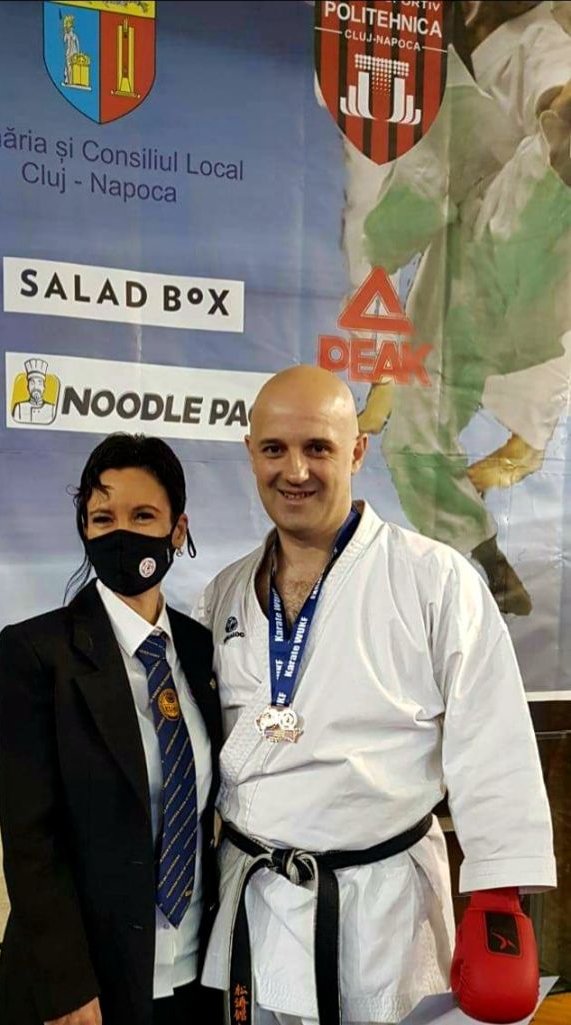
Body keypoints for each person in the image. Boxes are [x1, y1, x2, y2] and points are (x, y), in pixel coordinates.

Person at [195, 365, 555, 1025]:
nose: (295, 470)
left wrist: (497, 900)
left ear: (358, 450)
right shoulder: (223, 594)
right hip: (256, 905)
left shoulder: (435, 580)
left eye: (318, 447)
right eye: (274, 448)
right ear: (251, 453)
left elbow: (493, 744)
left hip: (384, 916)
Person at [0, 433, 223, 1025]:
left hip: (197, 971)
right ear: (85, 531)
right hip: (91, 982)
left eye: (143, 515)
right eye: (103, 518)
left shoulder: (200, 649)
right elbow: (30, 841)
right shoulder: (36, 653)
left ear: (177, 529)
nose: (122, 532)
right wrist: (66, 987)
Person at [357, 0, 571, 616]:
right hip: (463, 251)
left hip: (512, 235)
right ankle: (483, 556)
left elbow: (551, 90)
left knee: (523, 201)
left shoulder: (540, 37)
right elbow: (401, 216)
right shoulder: (438, 41)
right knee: (412, 441)